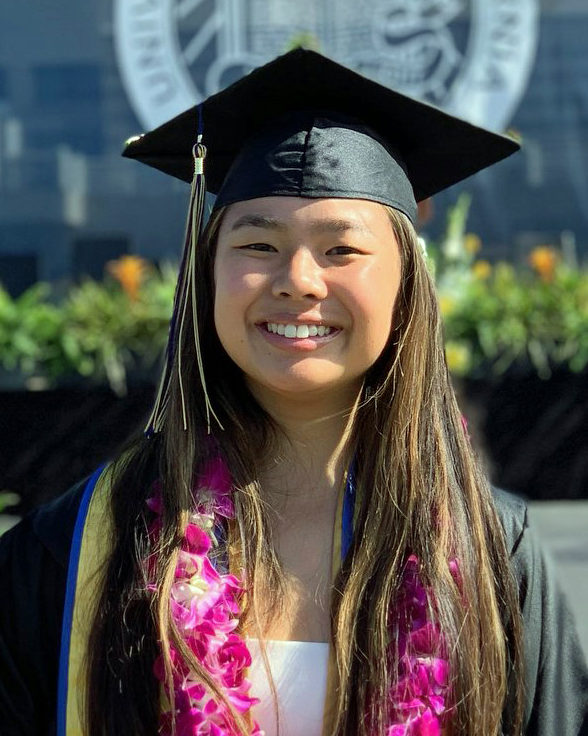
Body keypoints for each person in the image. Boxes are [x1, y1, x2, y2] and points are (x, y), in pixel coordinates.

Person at [1, 49, 587, 736]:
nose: (299, 281)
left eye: (342, 250)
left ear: (405, 290)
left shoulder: (492, 552)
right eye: (257, 246)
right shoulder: (75, 548)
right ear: (207, 272)